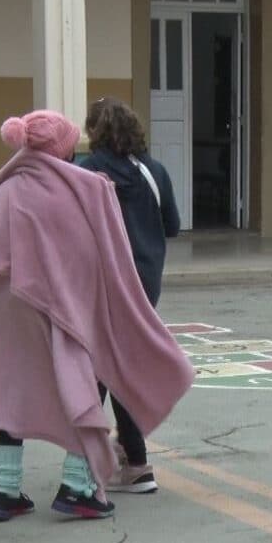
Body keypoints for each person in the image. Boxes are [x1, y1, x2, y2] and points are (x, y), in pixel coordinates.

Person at [0, 111, 193, 521]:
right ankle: (77, 486)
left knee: (12, 388)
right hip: (61, 305)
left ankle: (6, 491)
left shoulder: (4, 188)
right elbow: (93, 252)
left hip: (9, 305)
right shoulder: (80, 189)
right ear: (61, 147)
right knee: (81, 386)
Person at [79, 97, 181, 493]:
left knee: (98, 370)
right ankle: (128, 454)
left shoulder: (86, 172)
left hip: (103, 283)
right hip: (144, 283)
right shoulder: (154, 171)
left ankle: (117, 464)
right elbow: (171, 225)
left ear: (94, 132)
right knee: (117, 365)